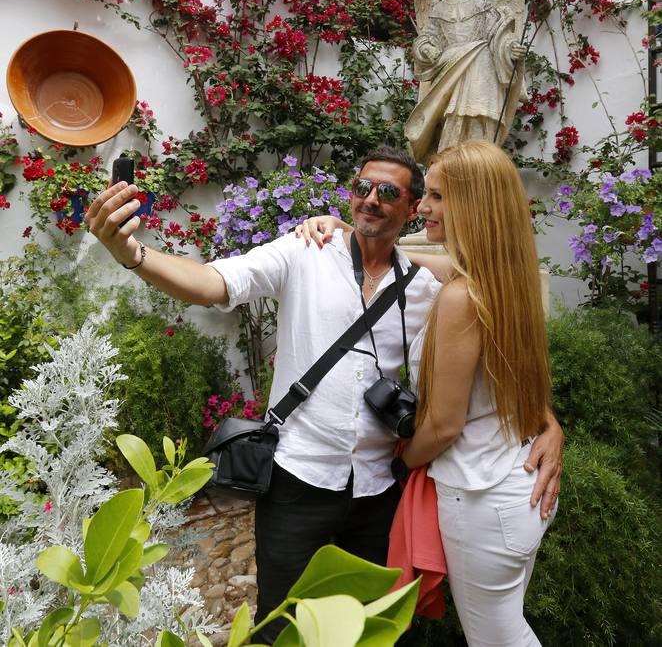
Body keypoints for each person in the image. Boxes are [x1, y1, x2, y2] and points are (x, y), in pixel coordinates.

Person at [85, 144, 562, 644]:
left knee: (374, 626)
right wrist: (133, 255)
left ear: (412, 206)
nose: (370, 200)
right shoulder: (302, 252)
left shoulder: (428, 286)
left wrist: (545, 419)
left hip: (379, 488)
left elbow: (500, 333)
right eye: (361, 188)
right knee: (281, 624)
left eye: (388, 192)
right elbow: (210, 283)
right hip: (298, 477)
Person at [301, 140, 559, 647]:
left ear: (472, 205)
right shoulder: (503, 281)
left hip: (480, 494)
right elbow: (409, 259)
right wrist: (345, 230)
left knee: (498, 638)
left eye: (437, 197)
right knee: (506, 625)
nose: (423, 208)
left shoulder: (463, 296)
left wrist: (398, 465)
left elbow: (443, 425)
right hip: (515, 484)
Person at [405, 0, 527, 163]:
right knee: (451, 118)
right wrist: (426, 49)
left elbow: (499, 35)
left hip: (481, 67)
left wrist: (511, 48)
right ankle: (450, 165)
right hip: (450, 69)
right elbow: (427, 37)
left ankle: (480, 163)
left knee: (481, 113)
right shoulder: (439, 9)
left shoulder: (483, 4)